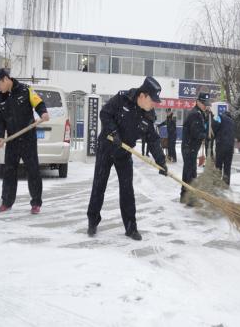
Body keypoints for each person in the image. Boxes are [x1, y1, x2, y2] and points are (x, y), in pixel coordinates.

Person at [86, 76, 168, 241]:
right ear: (143, 96)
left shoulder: (148, 115)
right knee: (99, 185)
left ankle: (131, 227)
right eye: (153, 100)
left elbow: (153, 139)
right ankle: (92, 222)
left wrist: (161, 162)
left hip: (124, 153)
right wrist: (113, 132)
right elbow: (105, 114)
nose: (154, 104)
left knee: (127, 190)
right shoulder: (122, 99)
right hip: (107, 147)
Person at [0, 68, 49, 214]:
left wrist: (43, 113)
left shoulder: (26, 90)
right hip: (12, 140)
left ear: (5, 79)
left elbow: (38, 103)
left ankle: (36, 203)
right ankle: (7, 202)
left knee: (33, 170)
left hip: (28, 138)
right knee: (9, 171)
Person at [180, 92, 210, 205]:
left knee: (188, 172)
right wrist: (206, 135)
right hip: (189, 148)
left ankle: (184, 196)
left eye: (206, 104)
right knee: (191, 173)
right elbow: (196, 133)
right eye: (203, 103)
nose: (205, 105)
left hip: (190, 147)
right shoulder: (195, 114)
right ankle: (190, 199)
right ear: (197, 102)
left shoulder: (200, 113)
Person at [213, 111, 235, 185]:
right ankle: (226, 184)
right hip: (230, 147)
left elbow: (215, 126)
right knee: (227, 166)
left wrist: (214, 136)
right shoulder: (232, 122)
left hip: (221, 145)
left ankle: (217, 182)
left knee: (218, 164)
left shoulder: (220, 117)